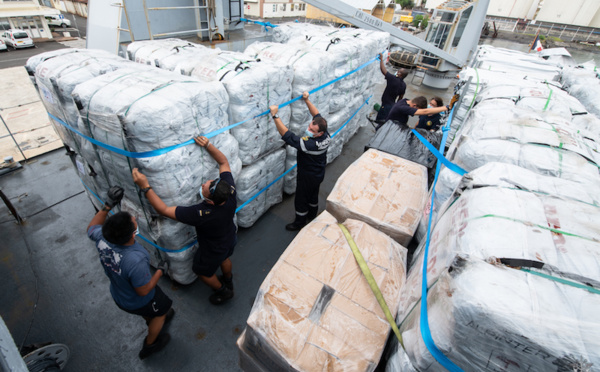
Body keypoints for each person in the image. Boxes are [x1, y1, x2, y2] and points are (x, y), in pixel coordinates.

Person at [132, 136, 237, 305]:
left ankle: (223, 291)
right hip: (230, 238)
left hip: (212, 249)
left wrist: (145, 186)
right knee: (225, 258)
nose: (204, 184)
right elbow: (223, 162)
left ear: (209, 201)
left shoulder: (201, 213)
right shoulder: (229, 192)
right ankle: (228, 279)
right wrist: (208, 145)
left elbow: (163, 210)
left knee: (202, 271)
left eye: (205, 186)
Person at [87, 186, 174, 360]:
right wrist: (159, 272)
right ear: (132, 235)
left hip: (120, 293)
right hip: (138, 299)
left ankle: (150, 318)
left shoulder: (102, 238)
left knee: (151, 310)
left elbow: (91, 227)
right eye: (133, 221)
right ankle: (150, 344)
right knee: (162, 311)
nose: (134, 218)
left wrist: (108, 205)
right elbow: (143, 290)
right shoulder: (135, 259)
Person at [269, 91, 331, 231]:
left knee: (301, 198)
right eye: (309, 126)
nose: (308, 130)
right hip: (319, 173)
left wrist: (275, 115)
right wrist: (307, 100)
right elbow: (317, 114)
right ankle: (312, 213)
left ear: (319, 133)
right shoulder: (325, 134)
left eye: (311, 129)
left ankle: (299, 222)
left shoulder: (309, 145)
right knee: (313, 194)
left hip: (308, 175)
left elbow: (287, 135)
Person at [374, 52, 409, 126]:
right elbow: (401, 97)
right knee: (386, 119)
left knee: (380, 121)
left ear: (400, 74)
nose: (397, 72)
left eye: (399, 71)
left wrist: (381, 60)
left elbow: (383, 70)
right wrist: (396, 106)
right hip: (392, 105)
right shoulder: (403, 85)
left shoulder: (393, 79)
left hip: (386, 105)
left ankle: (378, 132)